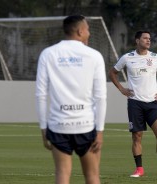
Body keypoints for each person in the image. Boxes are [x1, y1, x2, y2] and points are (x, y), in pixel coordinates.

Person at [35, 15, 107, 184]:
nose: (89, 33)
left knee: (62, 174)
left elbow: (41, 94)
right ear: (80, 30)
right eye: (88, 29)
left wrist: (43, 128)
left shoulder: (48, 54)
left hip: (58, 125)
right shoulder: (94, 56)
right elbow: (101, 96)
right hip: (86, 125)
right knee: (92, 176)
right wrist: (100, 130)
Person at [109, 30, 157, 178]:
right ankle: (139, 169)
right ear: (137, 40)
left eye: (149, 39)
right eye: (145, 38)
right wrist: (121, 89)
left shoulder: (156, 58)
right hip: (135, 103)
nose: (148, 40)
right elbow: (112, 72)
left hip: (152, 103)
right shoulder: (127, 58)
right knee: (137, 136)